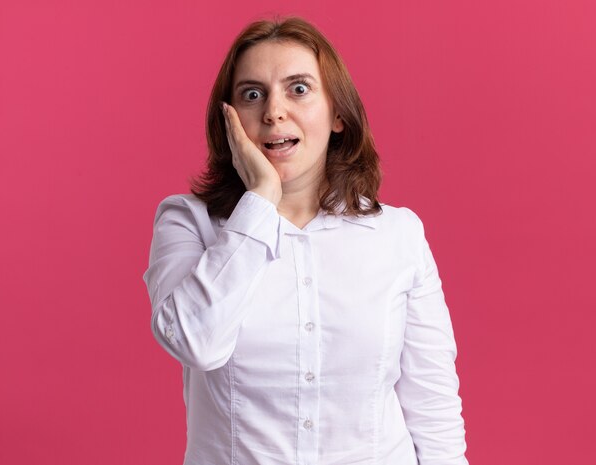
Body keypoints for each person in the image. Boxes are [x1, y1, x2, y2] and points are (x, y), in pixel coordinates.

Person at [142, 16, 469, 465]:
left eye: (298, 89)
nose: (274, 111)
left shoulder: (398, 235)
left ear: (337, 113)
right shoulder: (187, 222)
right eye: (252, 94)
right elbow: (197, 342)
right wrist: (259, 200)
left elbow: (432, 409)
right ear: (230, 120)